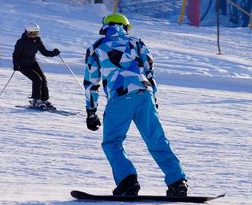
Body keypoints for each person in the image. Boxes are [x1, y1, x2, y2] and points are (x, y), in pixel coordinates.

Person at [83, 13, 188, 196]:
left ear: (105, 27)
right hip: (144, 94)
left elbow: (91, 82)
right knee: (156, 139)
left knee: (112, 142)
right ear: (125, 27)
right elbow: (150, 71)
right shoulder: (136, 42)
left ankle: (127, 181)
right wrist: (153, 99)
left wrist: (91, 112)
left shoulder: (96, 48)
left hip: (119, 97)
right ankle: (178, 182)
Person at [13, 22, 60, 110]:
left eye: (36, 33)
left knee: (43, 79)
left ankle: (44, 100)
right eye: (32, 34)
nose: (34, 35)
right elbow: (15, 54)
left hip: (33, 63)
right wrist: (15, 64)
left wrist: (54, 53)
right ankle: (35, 100)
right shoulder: (21, 42)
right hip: (22, 65)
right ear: (27, 32)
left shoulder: (37, 40)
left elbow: (44, 52)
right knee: (37, 79)